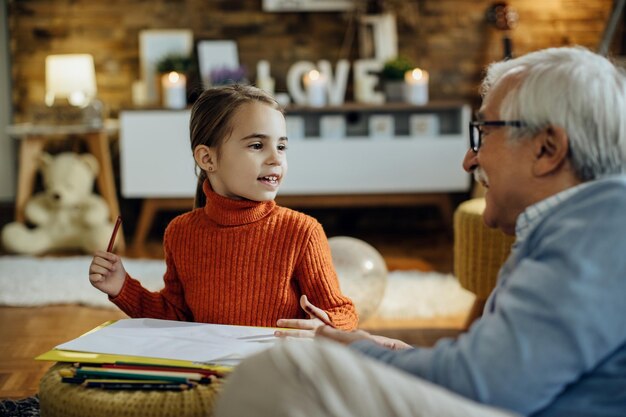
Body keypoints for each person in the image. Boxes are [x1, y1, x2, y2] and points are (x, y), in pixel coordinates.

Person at [213, 46, 626, 417]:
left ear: (547, 149)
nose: (469, 160)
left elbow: (486, 385)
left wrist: (363, 353)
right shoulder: (580, 225)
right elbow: (512, 369)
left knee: (283, 374)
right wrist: (387, 352)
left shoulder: (604, 221)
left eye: (484, 133)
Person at [88, 84, 358, 330]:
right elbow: (176, 317)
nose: (276, 158)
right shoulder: (180, 232)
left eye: (282, 146)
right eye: (257, 145)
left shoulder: (302, 231)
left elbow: (341, 312)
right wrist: (122, 286)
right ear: (207, 158)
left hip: (275, 370)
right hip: (208, 373)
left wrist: (324, 327)